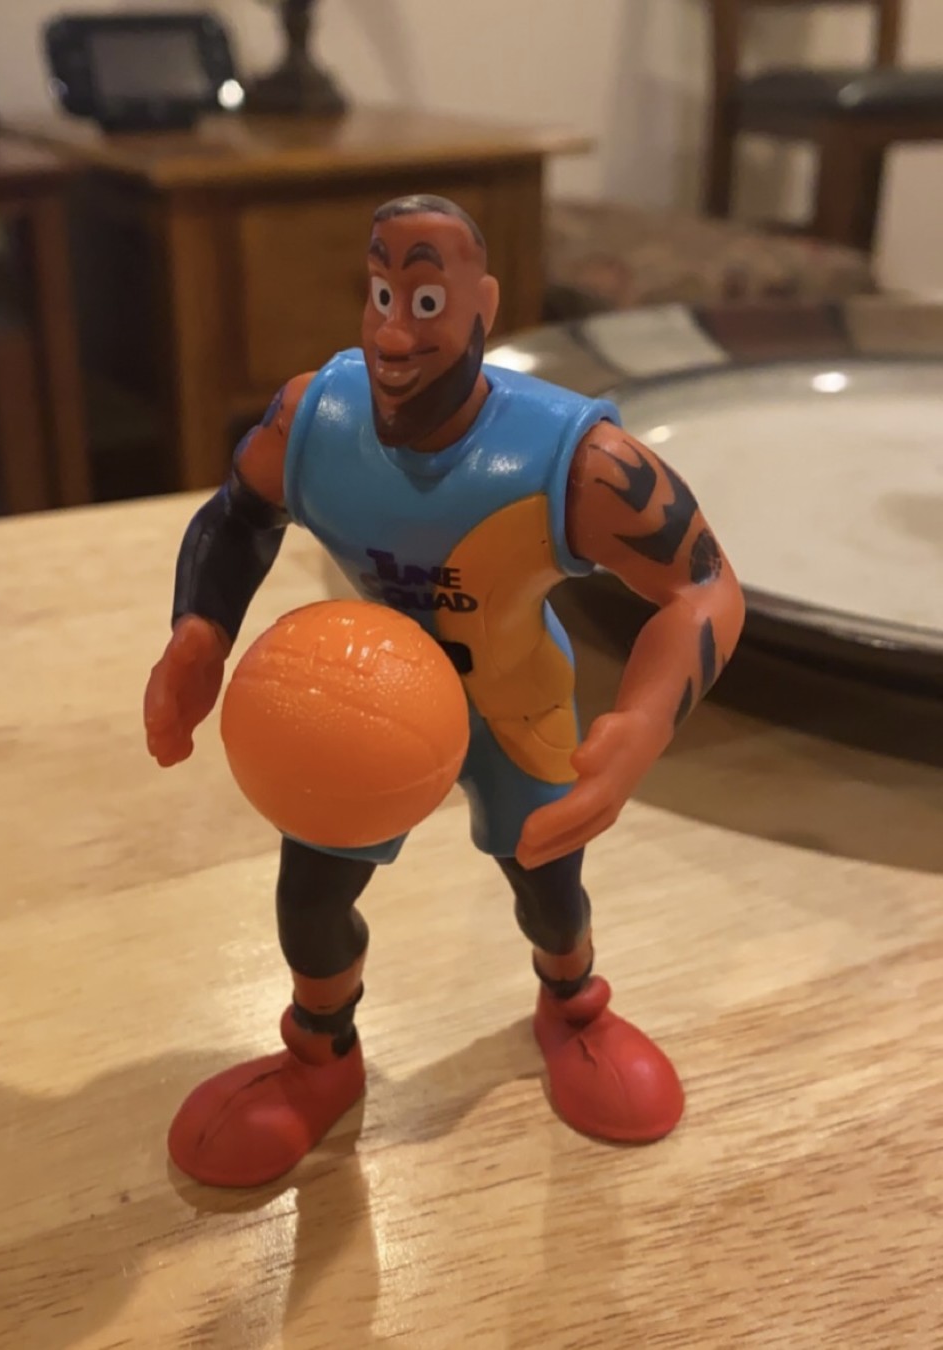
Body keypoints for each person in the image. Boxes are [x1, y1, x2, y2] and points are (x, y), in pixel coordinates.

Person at [144, 195, 746, 1187]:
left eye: (425, 301)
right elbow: (238, 515)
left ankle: (572, 1005)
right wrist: (199, 630)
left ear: (483, 309)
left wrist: (641, 725)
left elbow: (704, 585)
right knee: (308, 900)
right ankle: (321, 1055)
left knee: (550, 887)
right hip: (362, 707)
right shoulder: (315, 418)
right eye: (381, 294)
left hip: (513, 704)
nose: (392, 334)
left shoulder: (574, 462)